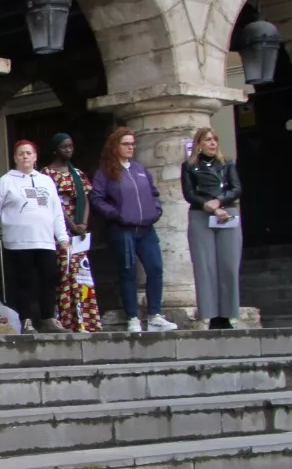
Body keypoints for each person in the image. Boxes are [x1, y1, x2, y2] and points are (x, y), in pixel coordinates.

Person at [90, 127, 178, 332]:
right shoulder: (105, 173)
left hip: (146, 228)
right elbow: (96, 198)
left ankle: (155, 315)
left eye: (132, 144)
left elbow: (154, 193)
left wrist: (156, 210)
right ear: (115, 146)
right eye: (126, 144)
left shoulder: (139, 169)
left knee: (155, 268)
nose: (131, 147)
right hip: (122, 230)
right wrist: (116, 214)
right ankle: (132, 318)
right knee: (128, 272)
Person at [0, 140, 70, 333]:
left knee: (48, 279)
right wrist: (11, 223)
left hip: (45, 240)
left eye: (29, 153)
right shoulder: (6, 180)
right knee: (23, 282)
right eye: (21, 153)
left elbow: (56, 211)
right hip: (18, 242)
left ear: (35, 157)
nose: (25, 156)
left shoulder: (46, 181)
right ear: (15, 157)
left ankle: (48, 318)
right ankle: (26, 319)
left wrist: (62, 237)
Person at [181, 126, 242, 329]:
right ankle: (211, 315)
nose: (213, 143)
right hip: (201, 214)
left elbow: (236, 188)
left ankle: (228, 314)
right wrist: (208, 204)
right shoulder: (190, 166)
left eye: (215, 140)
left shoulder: (227, 163)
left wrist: (219, 201)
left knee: (228, 265)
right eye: (208, 140)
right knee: (205, 266)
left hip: (227, 213)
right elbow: (189, 193)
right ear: (199, 144)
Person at [43, 133, 102, 333]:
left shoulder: (78, 173)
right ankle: (66, 320)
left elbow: (85, 200)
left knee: (81, 274)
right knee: (63, 273)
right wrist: (69, 225)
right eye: (64, 147)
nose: (68, 150)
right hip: (59, 229)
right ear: (54, 150)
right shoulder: (47, 174)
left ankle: (85, 320)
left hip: (79, 231)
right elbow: (55, 204)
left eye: (70, 146)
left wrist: (83, 223)